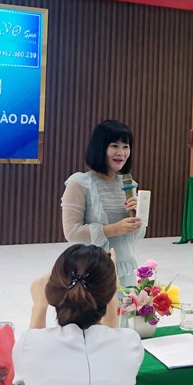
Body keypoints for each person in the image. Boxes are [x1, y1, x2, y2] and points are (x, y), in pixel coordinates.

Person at [8, 244, 144, 385]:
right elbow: (112, 337)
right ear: (110, 294)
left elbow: (28, 369)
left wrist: (39, 306)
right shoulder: (129, 344)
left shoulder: (29, 345)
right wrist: (111, 294)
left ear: (53, 292)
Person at [62, 120, 145, 286]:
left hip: (124, 268)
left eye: (126, 146)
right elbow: (71, 232)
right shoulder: (80, 183)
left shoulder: (129, 185)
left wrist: (138, 218)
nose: (121, 153)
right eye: (114, 145)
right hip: (92, 269)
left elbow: (137, 235)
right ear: (100, 147)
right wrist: (115, 229)